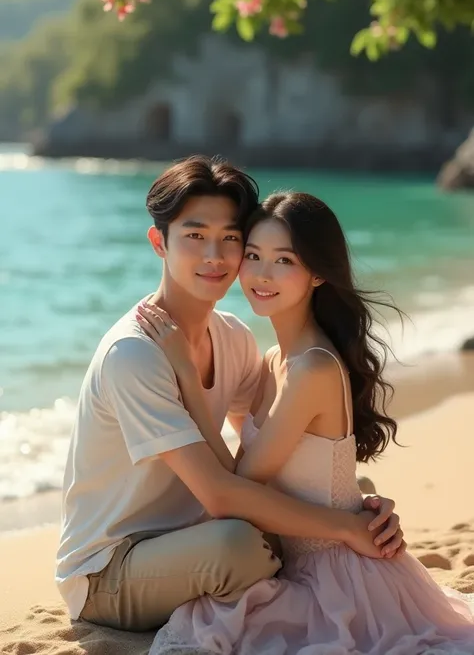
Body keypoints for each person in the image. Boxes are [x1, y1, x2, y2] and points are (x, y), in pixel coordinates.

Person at [56, 156, 402, 633]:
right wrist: (343, 526)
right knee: (240, 545)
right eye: (195, 236)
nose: (214, 256)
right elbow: (223, 492)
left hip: (193, 535)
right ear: (160, 242)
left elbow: (273, 449)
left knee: (273, 525)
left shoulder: (234, 337)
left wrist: (354, 501)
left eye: (231, 239)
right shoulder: (135, 354)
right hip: (111, 570)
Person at [139, 191, 474, 655]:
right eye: (253, 255)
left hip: (339, 576)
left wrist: (187, 378)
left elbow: (236, 485)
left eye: (283, 260)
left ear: (317, 273)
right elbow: (255, 472)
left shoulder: (311, 368)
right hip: (294, 563)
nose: (261, 273)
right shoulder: (275, 359)